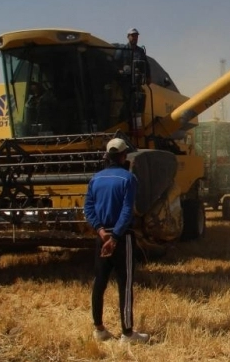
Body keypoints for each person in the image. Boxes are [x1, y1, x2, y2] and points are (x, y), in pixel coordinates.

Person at [83, 138, 150, 345]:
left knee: (99, 282)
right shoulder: (128, 179)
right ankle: (128, 334)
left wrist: (101, 231)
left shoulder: (95, 179)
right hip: (121, 239)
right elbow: (127, 210)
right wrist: (115, 236)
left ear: (106, 156)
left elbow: (88, 208)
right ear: (123, 156)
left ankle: (99, 329)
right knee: (125, 284)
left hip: (101, 238)